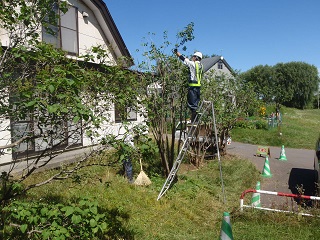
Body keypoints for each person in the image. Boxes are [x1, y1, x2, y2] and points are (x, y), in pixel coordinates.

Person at [174, 49, 203, 122]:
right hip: (198, 87)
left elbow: (183, 59)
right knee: (195, 103)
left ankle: (193, 119)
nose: (192, 57)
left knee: (192, 104)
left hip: (193, 86)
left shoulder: (193, 64)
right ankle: (195, 119)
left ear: (196, 57)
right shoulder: (201, 65)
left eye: (193, 56)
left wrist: (176, 53)